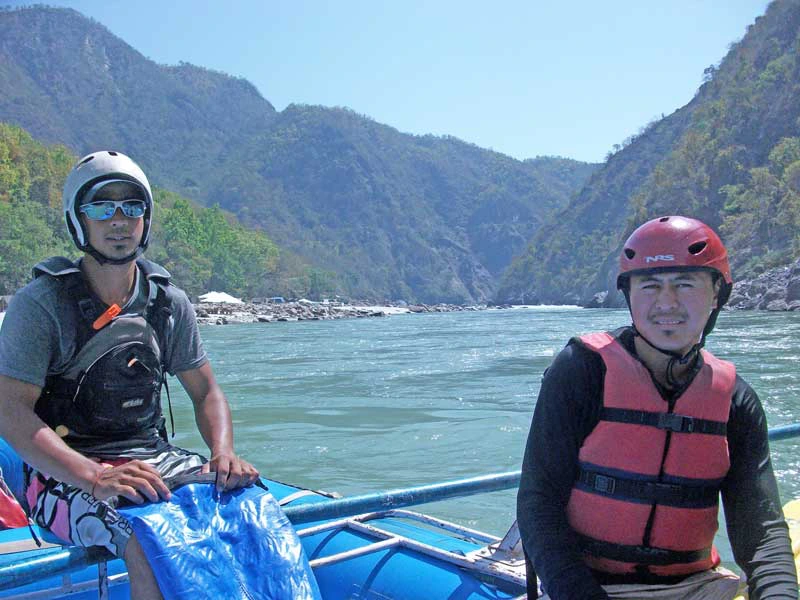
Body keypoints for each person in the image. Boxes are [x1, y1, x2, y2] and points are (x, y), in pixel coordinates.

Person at [0, 151, 259, 599]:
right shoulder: (42, 304)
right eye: (102, 207)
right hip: (63, 473)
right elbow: (9, 411)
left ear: (146, 217)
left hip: (150, 455)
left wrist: (223, 452)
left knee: (252, 510)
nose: (119, 220)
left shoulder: (167, 303)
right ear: (77, 219)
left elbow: (206, 393)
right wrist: (93, 476)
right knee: (145, 537)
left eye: (131, 207)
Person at [517, 215, 798, 599]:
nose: (667, 303)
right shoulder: (581, 373)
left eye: (685, 284)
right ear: (629, 295)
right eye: (650, 285)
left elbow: (761, 529)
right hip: (588, 585)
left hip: (697, 586)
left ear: (716, 294)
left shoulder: (736, 400)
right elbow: (538, 502)